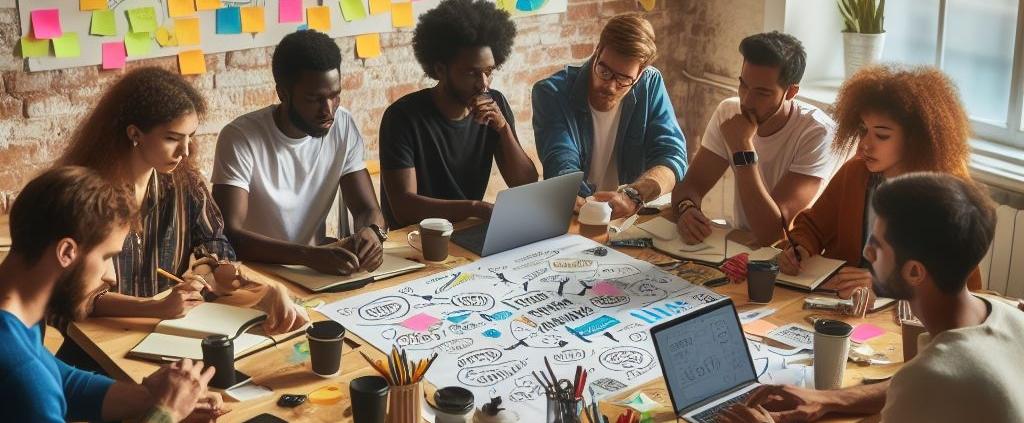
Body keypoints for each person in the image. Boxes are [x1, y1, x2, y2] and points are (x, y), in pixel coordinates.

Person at [717, 172, 1024, 423]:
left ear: (915, 272)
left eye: (877, 245)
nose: (866, 253)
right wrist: (827, 399)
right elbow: (914, 383)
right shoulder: (1010, 318)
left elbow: (926, 382)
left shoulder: (932, 377)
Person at [56, 67, 307, 368]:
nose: (185, 151)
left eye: (190, 137)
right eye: (173, 138)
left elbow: (215, 249)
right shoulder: (87, 194)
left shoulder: (183, 181)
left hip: (168, 334)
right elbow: (75, 297)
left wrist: (261, 287)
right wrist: (155, 307)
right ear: (134, 134)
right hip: (98, 346)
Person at [0, 166, 226, 423]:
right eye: (107, 257)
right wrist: (165, 414)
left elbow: (59, 381)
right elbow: (34, 385)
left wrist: (152, 398)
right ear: (66, 252)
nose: (112, 277)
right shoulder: (18, 368)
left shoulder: (17, 324)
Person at [777, 65, 980, 297]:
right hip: (840, 300)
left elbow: (953, 279)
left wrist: (884, 283)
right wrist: (800, 248)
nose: (865, 144)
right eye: (863, 130)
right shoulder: (855, 173)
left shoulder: (946, 194)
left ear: (915, 138)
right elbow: (813, 226)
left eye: (881, 135)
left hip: (905, 316)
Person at [213, 30, 387, 276]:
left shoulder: (343, 125)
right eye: (314, 99)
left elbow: (366, 208)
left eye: (335, 96)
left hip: (315, 269)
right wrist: (308, 255)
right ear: (283, 93)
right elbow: (229, 234)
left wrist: (372, 232)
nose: (328, 110)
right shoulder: (240, 138)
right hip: (254, 273)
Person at [379, 0, 538, 229]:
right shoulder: (402, 118)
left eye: (488, 71)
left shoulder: (495, 104)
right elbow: (404, 208)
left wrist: (504, 130)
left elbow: (526, 184)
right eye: (472, 73)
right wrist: (474, 208)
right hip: (416, 240)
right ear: (440, 69)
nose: (483, 84)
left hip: (467, 233)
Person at [673, 31, 839, 246]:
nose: (747, 101)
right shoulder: (729, 112)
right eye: (743, 85)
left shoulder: (817, 133)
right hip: (740, 244)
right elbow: (690, 187)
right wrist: (687, 209)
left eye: (762, 93)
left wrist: (742, 149)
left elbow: (772, 233)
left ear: (791, 92)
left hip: (790, 258)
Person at [533, 13, 687, 219]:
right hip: (575, 213)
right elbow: (560, 160)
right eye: (604, 71)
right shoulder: (551, 93)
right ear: (597, 51)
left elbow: (673, 156)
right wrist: (593, 205)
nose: (610, 86)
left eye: (623, 79)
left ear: (640, 74)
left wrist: (634, 195)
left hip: (629, 219)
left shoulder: (650, 84)